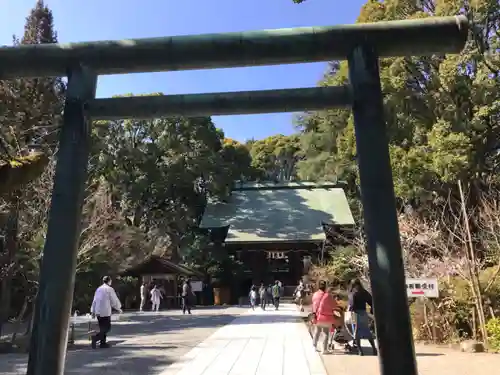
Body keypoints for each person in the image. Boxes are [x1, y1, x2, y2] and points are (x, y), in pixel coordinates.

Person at [90, 276, 122, 349]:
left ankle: (103, 343)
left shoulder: (98, 289)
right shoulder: (109, 289)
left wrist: (93, 311)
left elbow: (94, 300)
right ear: (109, 281)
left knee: (102, 328)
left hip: (98, 311)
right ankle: (95, 338)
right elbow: (114, 300)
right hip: (105, 311)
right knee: (107, 328)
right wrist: (118, 308)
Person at [348, 278, 378, 356]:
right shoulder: (364, 292)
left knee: (356, 332)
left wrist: (350, 310)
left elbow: (352, 305)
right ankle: (374, 349)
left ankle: (360, 351)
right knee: (367, 331)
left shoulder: (353, 293)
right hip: (364, 313)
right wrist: (371, 312)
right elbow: (371, 301)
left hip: (355, 313)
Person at [311, 280, 339, 354]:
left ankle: (314, 346)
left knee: (317, 331)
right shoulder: (328, 296)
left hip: (317, 316)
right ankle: (324, 349)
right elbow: (334, 305)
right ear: (325, 286)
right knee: (326, 332)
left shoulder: (315, 295)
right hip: (327, 317)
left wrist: (314, 314)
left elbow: (313, 305)